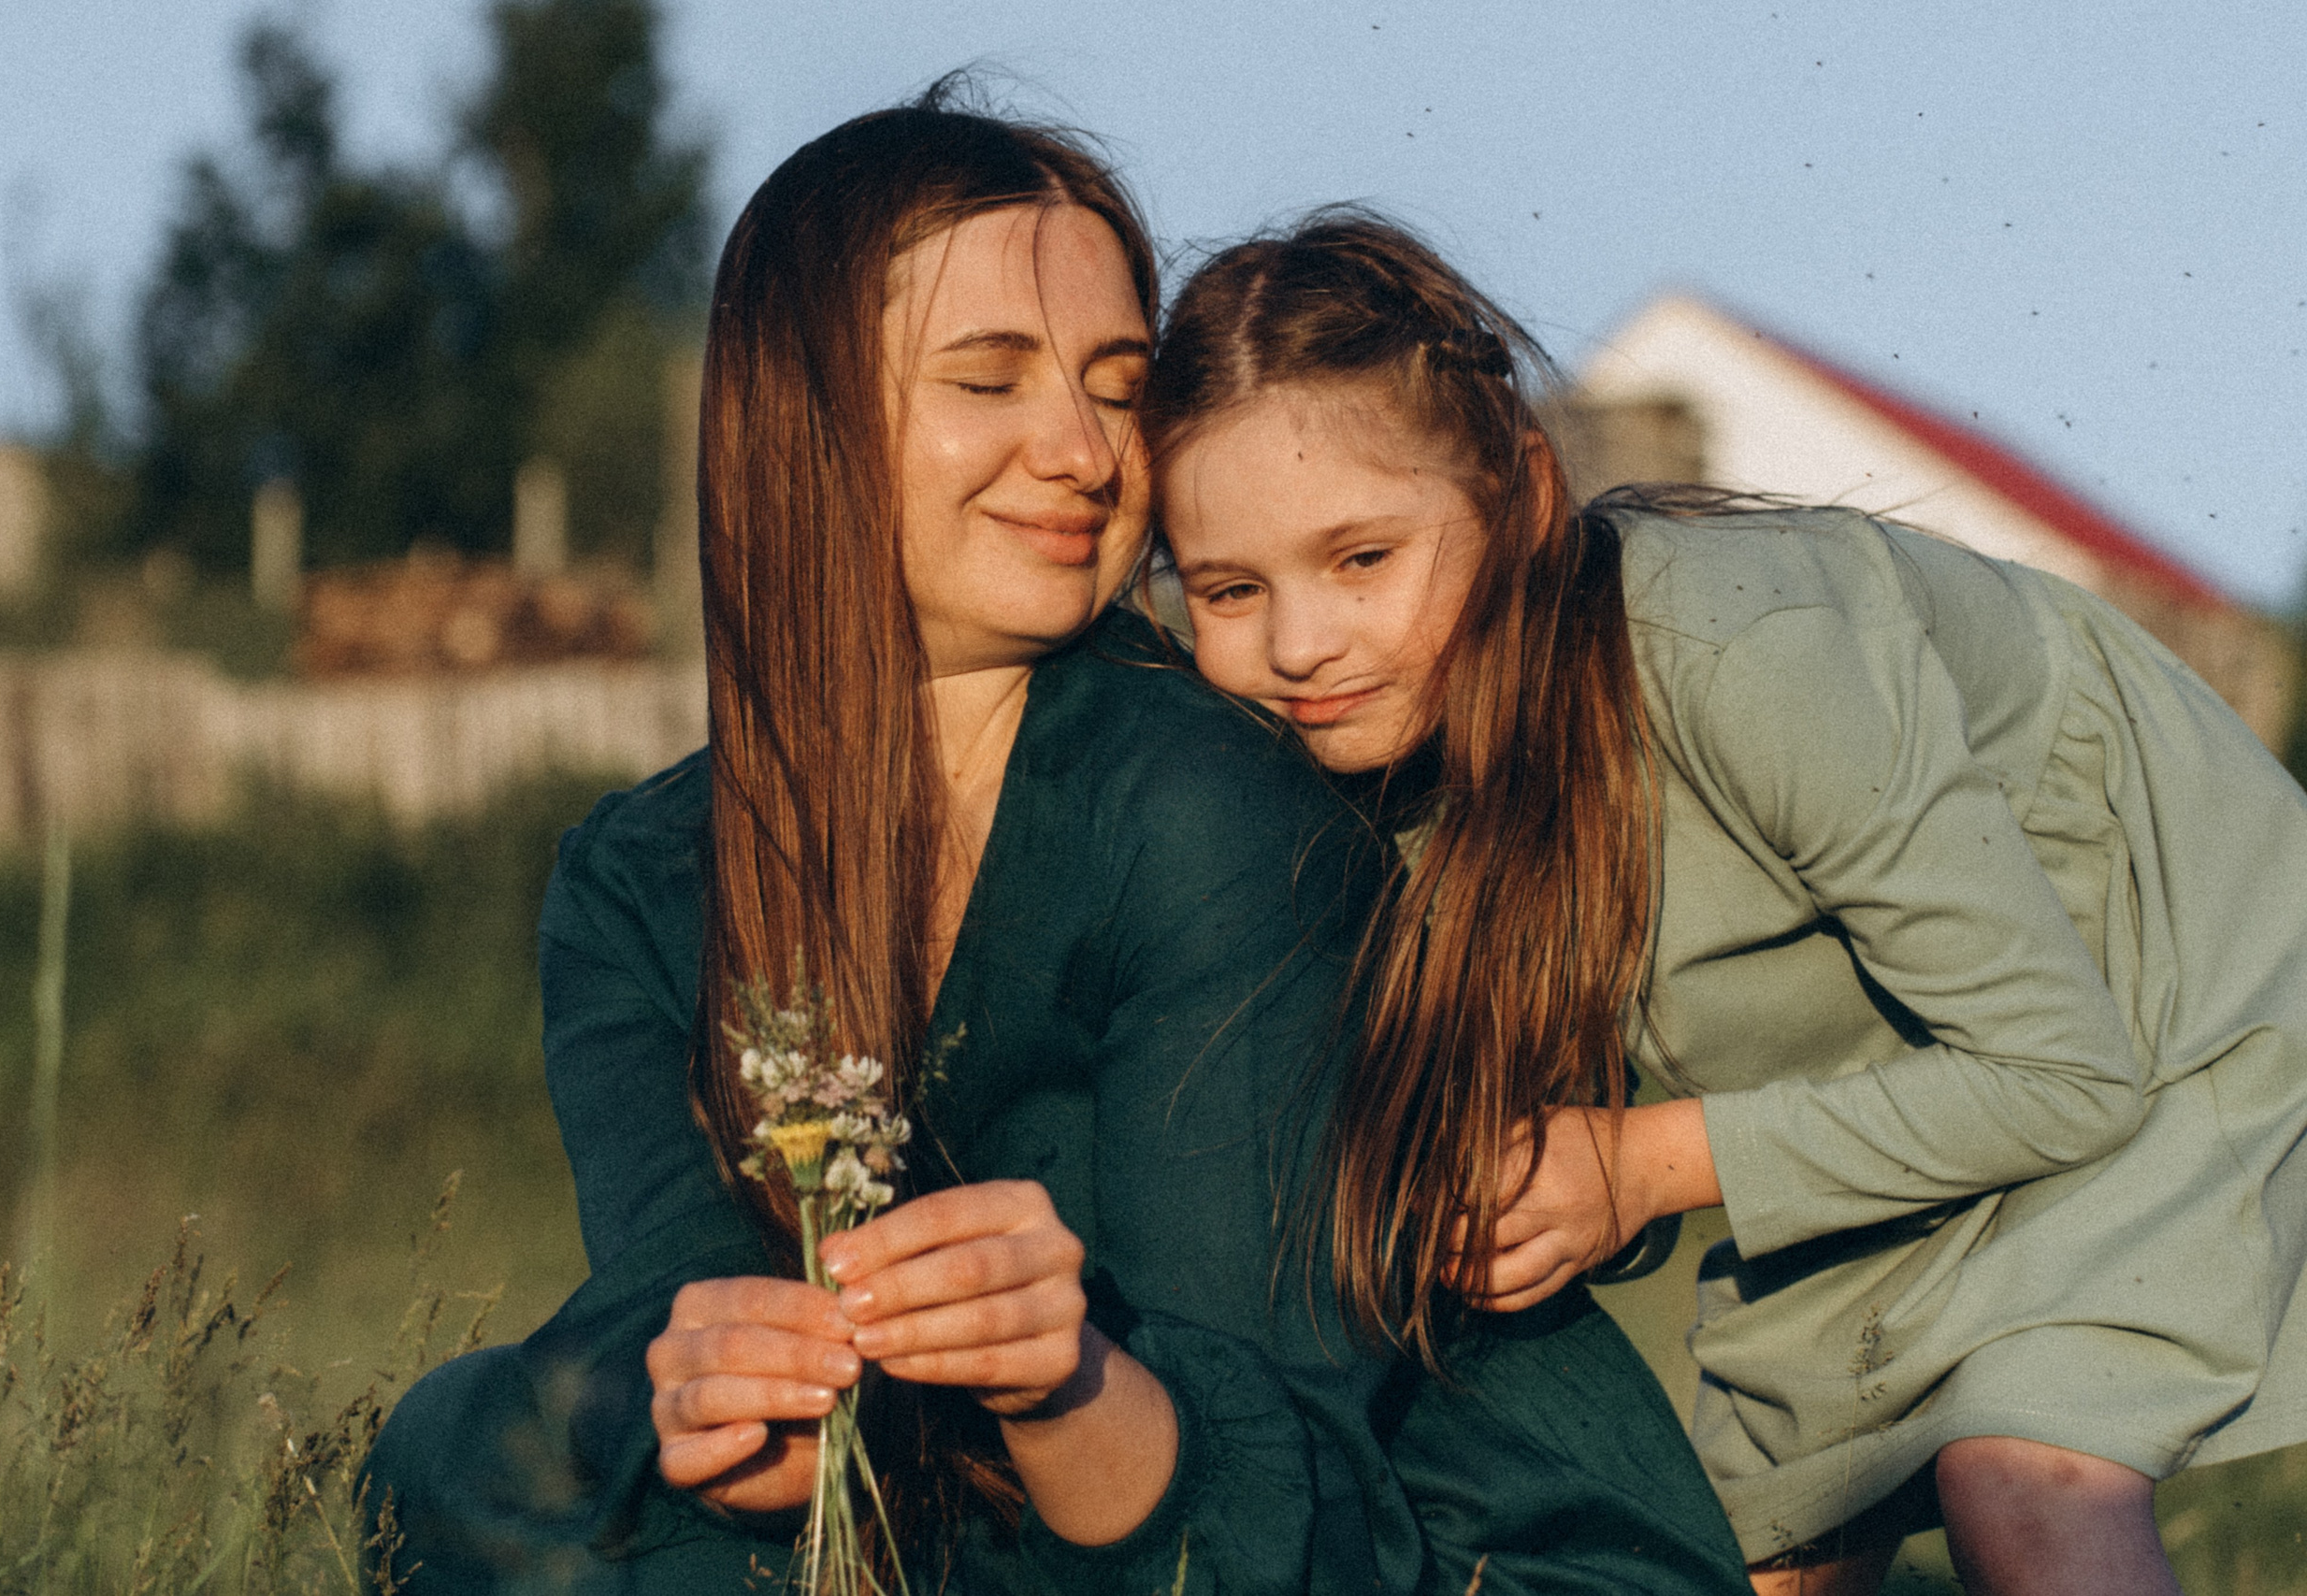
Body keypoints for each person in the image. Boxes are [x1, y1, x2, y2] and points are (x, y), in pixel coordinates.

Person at [363, 103, 1752, 1594]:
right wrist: (721, 1410)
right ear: (806, 414)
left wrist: (1060, 1376)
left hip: (1377, 1538)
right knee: (457, 1447)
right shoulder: (637, 884)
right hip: (946, 1521)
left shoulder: (1205, 804)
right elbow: (677, 1302)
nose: (1084, 453)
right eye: (990, 379)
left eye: (1119, 388)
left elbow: (1261, 1506)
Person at [1145, 210, 2307, 1596]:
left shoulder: (1742, 644)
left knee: (2025, 1477)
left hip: (2141, 984)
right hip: (1889, 1075)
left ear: (1524, 496)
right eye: (1229, 589)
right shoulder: (1392, 756)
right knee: (1760, 1546)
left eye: (1361, 560)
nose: (1299, 643)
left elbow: (2063, 1074)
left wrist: (1634, 1167)